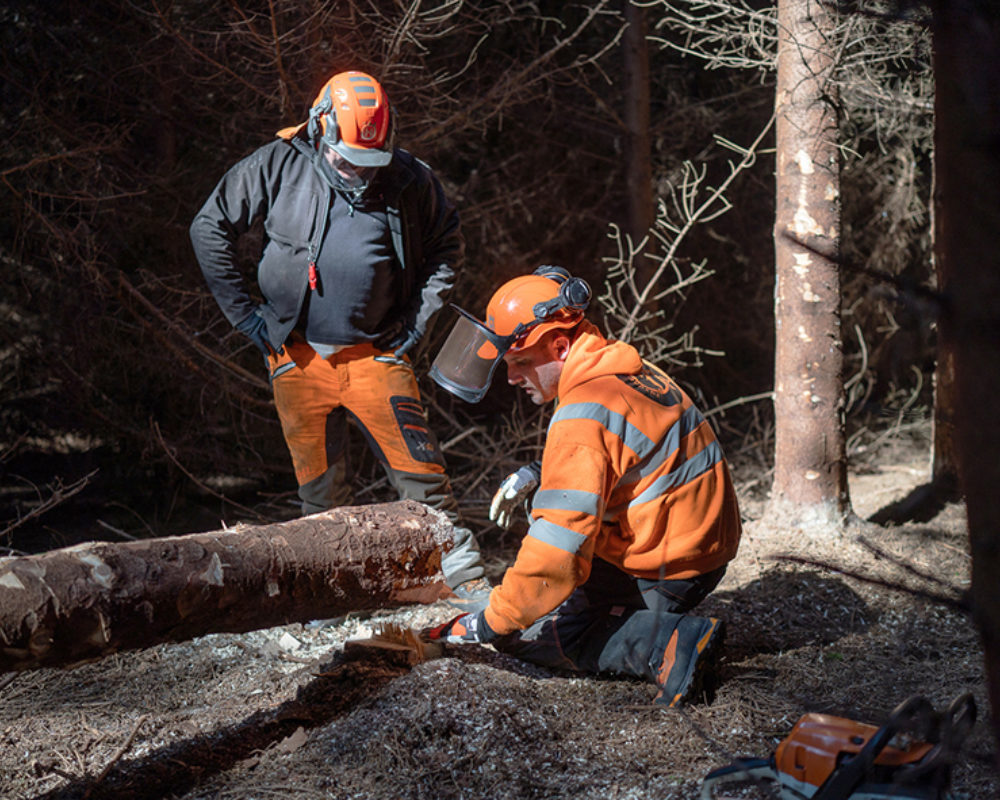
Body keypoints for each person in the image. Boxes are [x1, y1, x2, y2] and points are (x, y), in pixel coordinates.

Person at [190, 70, 488, 608]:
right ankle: (332, 601)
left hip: (377, 354)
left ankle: (467, 587)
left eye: (368, 159)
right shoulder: (279, 163)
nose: (357, 170)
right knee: (321, 497)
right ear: (320, 128)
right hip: (298, 355)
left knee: (424, 479)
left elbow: (448, 245)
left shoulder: (408, 179)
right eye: (347, 156)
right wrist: (248, 319)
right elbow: (208, 228)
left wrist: (417, 324)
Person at [425, 266, 742, 705]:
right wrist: (540, 469)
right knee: (542, 600)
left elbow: (557, 550)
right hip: (693, 544)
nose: (512, 379)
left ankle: (670, 644)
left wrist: (492, 623)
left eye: (520, 363)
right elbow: (630, 450)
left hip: (668, 565)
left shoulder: (584, 412)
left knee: (531, 633)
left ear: (560, 345)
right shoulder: (624, 369)